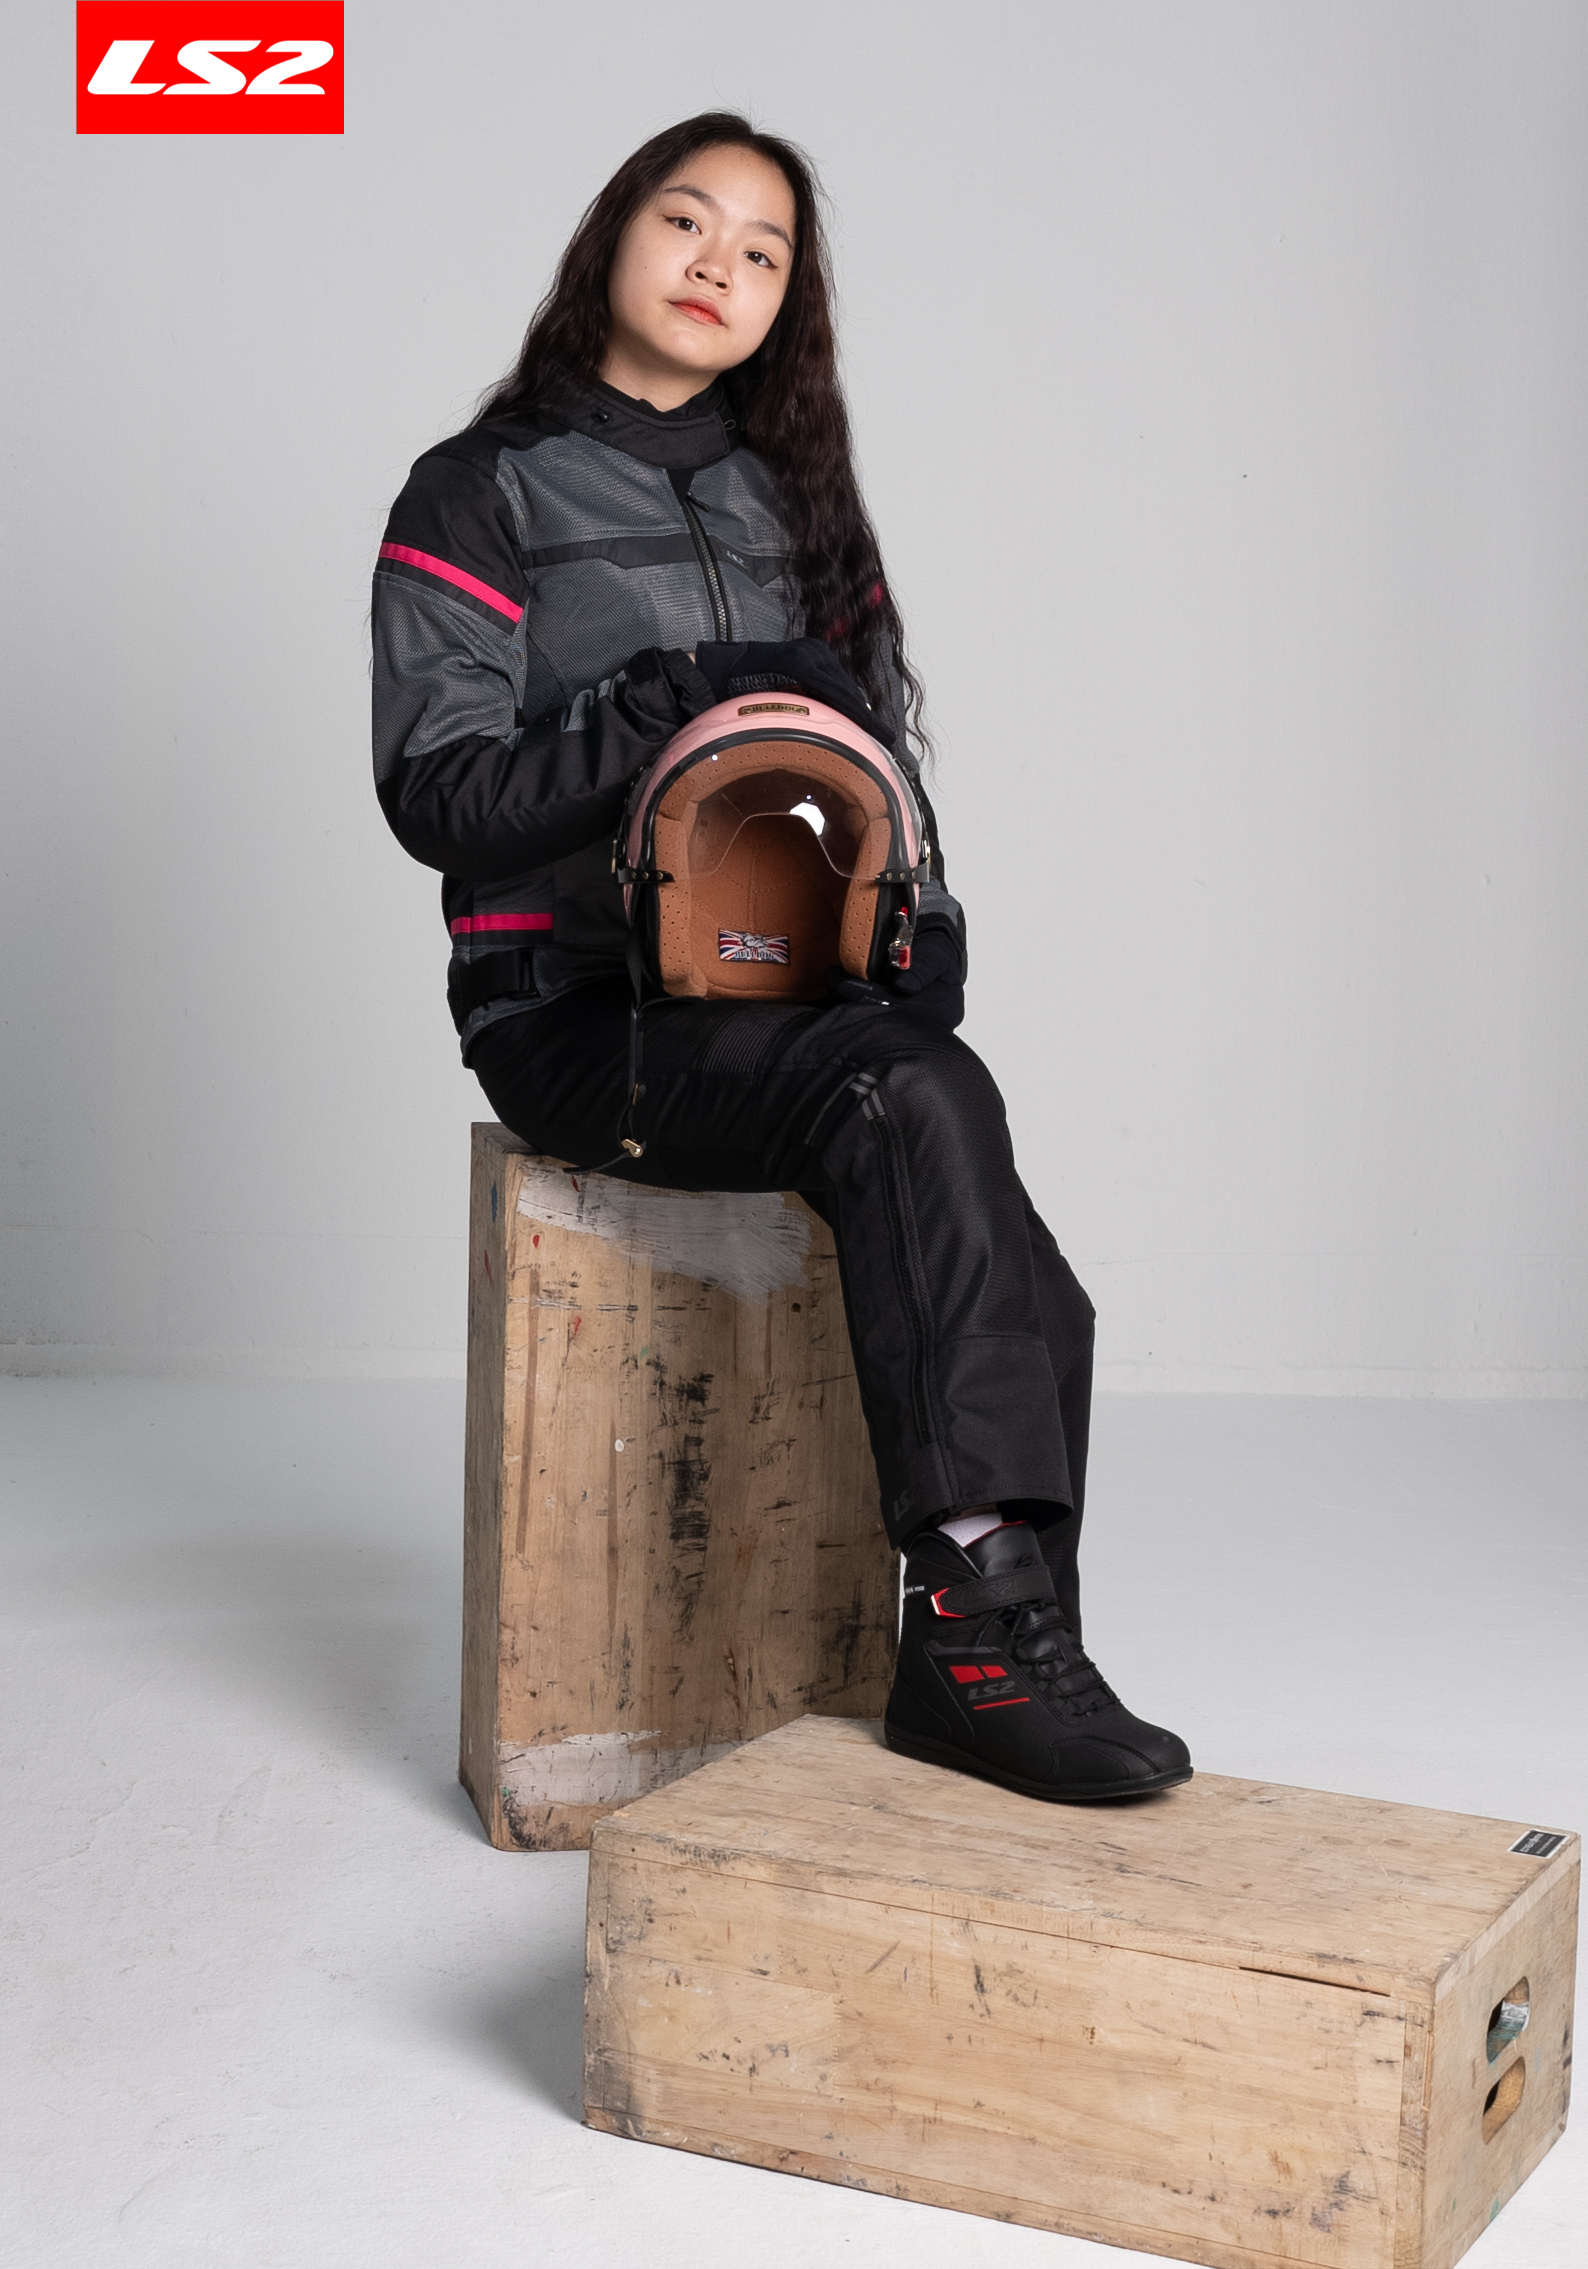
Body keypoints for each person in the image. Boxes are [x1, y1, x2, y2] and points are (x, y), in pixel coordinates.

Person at [372, 112, 1190, 1803]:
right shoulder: (480, 490)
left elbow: (883, 764)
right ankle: (983, 1646)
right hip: (580, 1010)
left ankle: (993, 1645)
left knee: (1040, 1290)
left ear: (785, 304)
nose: (718, 267)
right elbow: (437, 794)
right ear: (615, 234)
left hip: (792, 996)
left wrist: (922, 925)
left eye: (762, 253)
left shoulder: (795, 497)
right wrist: (650, 716)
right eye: (688, 222)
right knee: (906, 1101)